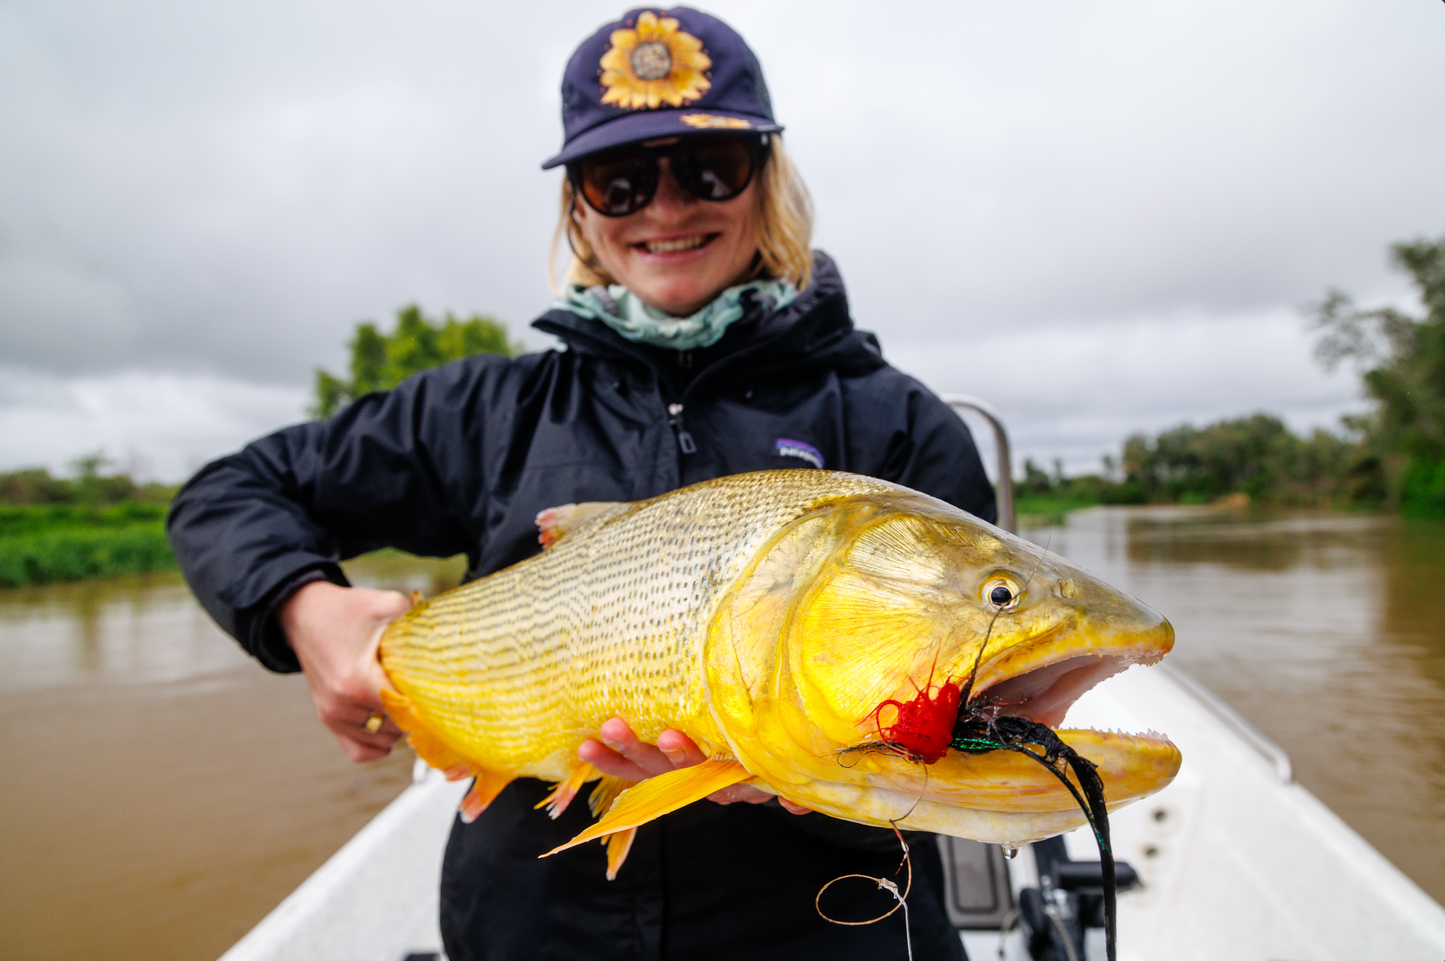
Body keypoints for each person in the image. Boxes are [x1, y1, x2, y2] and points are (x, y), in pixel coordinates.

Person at [169, 8, 996, 960]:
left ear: (767, 178)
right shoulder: (487, 409)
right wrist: (305, 611)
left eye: (708, 168)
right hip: (531, 930)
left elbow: (978, 751)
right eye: (620, 180)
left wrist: (807, 776)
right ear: (577, 208)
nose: (665, 208)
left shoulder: (895, 424)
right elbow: (228, 493)